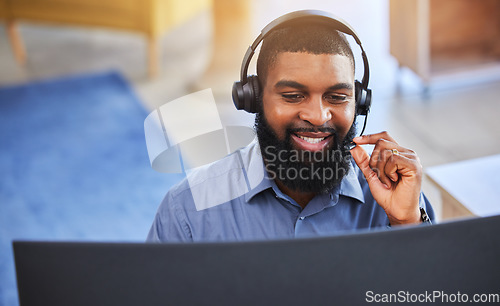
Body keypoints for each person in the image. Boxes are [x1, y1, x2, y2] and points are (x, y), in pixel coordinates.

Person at [147, 11, 434, 242]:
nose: (318, 116)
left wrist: (407, 224)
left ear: (359, 102)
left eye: (336, 97)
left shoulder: (397, 197)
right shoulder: (187, 212)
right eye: (293, 96)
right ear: (254, 98)